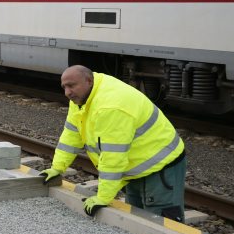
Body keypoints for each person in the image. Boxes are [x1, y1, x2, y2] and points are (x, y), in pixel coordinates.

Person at [40, 65, 186, 220]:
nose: (67, 92)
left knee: (162, 221)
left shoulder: (110, 106)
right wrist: (57, 168)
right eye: (64, 87)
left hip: (161, 163)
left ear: (89, 81)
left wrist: (103, 197)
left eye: (71, 86)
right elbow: (71, 135)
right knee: (136, 218)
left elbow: (113, 156)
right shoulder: (82, 98)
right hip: (137, 162)